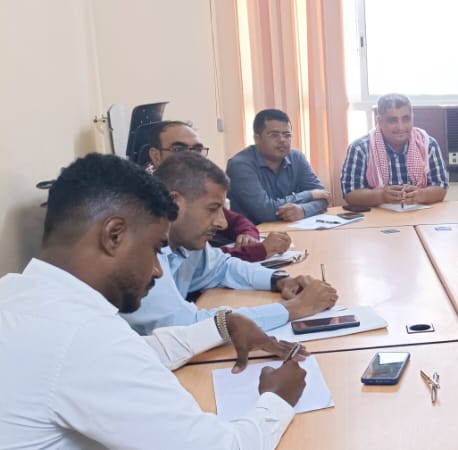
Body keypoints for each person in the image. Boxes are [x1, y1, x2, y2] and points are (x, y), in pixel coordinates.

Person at [0, 153, 309, 448]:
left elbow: (140, 350)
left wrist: (221, 326)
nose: (159, 270)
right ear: (114, 236)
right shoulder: (84, 337)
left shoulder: (20, 294)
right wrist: (278, 399)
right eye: (155, 249)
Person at [121, 152, 339, 335]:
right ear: (174, 203)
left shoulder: (185, 240)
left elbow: (223, 266)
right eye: (212, 209)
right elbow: (187, 328)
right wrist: (292, 309)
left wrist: (279, 280)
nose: (222, 223)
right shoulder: (137, 253)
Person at [146, 120, 291, 262]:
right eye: (179, 149)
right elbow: (200, 262)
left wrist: (248, 236)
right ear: (155, 156)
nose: (191, 157)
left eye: (197, 150)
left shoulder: (198, 186)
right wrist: (258, 250)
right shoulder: (148, 203)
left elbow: (236, 222)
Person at [341, 93, 449, 207]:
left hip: (419, 214)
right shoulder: (360, 148)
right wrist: (381, 196)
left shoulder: (428, 144)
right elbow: (350, 193)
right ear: (380, 121)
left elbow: (441, 188)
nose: (400, 127)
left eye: (406, 119)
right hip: (378, 216)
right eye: (393, 120)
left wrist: (421, 195)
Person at [227, 109, 331, 223]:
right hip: (251, 232)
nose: (282, 140)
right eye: (274, 135)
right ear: (257, 138)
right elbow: (265, 212)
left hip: (289, 229)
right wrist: (309, 195)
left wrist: (303, 210)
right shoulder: (240, 166)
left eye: (287, 135)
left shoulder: (297, 158)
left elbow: (323, 197)